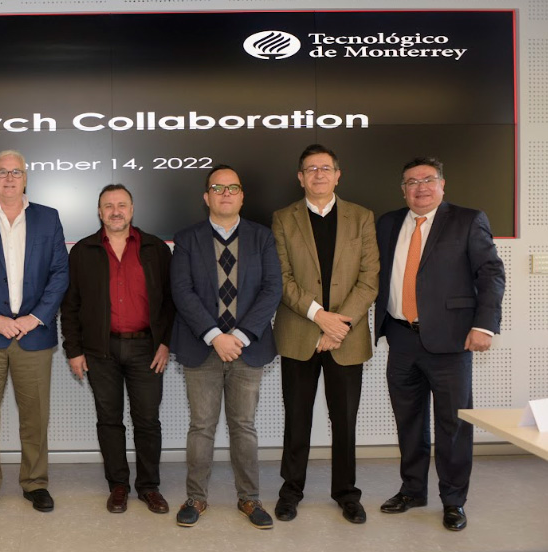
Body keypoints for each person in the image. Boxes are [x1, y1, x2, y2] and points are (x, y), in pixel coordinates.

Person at [374, 157, 505, 531]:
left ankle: (453, 500)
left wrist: (485, 325)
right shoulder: (388, 223)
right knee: (409, 422)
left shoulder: (468, 220)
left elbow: (491, 273)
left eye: (428, 180)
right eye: (411, 182)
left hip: (451, 340)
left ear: (442, 184)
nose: (420, 188)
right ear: (403, 190)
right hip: (401, 337)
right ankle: (412, 490)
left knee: (453, 425)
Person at [0, 150, 69, 515]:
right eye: (2, 172)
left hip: (34, 334)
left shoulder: (48, 218)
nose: (8, 178)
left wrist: (36, 317)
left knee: (35, 415)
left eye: (15, 172)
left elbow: (60, 274)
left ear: (25, 177)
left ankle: (35, 483)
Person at [270, 144, 379, 524]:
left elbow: (369, 279)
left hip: (346, 338)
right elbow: (281, 278)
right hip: (300, 333)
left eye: (325, 168)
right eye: (311, 169)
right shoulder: (282, 219)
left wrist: (339, 326)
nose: (319, 174)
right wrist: (319, 317)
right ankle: (291, 491)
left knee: (344, 420)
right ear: (300, 177)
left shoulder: (362, 218)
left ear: (338, 175)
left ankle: (346, 493)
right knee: (296, 418)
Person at [170, 164, 282, 529]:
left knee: (243, 426)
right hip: (202, 347)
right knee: (201, 426)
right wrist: (215, 336)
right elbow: (182, 291)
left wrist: (241, 336)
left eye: (232, 188)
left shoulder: (262, 237)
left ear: (242, 196)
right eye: (218, 188)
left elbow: (272, 290)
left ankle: (250, 499)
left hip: (247, 349)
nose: (226, 194)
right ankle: (196, 498)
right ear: (207, 197)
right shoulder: (187, 239)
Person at [61, 184, 176, 515]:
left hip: (147, 348)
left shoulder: (155, 248)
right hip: (101, 350)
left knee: (147, 420)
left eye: (122, 205)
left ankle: (149, 487)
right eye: (108, 206)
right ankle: (118, 486)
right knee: (109, 420)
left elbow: (171, 301)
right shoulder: (83, 251)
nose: (115, 211)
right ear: (99, 212)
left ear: (132, 209)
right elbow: (70, 306)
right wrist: (74, 350)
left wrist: (166, 342)